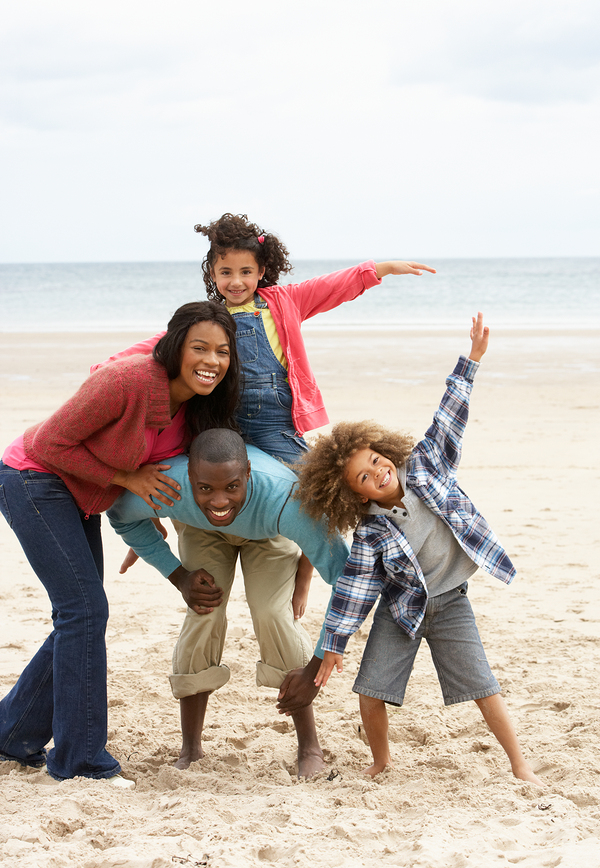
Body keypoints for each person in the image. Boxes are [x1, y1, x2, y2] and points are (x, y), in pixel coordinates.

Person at [293, 314, 543, 785]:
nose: (377, 473)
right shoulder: (370, 533)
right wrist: (332, 646)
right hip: (401, 611)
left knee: (483, 688)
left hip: (452, 605)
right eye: (364, 477)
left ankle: (520, 764)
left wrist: (471, 360)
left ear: (383, 450)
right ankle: (382, 760)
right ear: (357, 495)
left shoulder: (427, 465)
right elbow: (354, 592)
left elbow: (449, 415)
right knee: (370, 690)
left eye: (375, 460)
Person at [0, 302, 240, 784]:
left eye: (222, 351)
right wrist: (125, 479)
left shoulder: (196, 408)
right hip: (33, 478)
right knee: (83, 612)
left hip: (81, 495)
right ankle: (82, 763)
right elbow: (50, 444)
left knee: (82, 615)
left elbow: (165, 473)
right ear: (175, 347)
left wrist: (143, 516)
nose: (211, 360)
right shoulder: (128, 381)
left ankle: (12, 732)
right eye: (200, 348)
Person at [94, 212, 436, 464]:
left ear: (260, 271)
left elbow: (331, 287)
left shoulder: (285, 301)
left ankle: (306, 560)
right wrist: (109, 367)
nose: (236, 281)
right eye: (226, 272)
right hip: (222, 419)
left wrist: (380, 269)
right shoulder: (208, 317)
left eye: (246, 272)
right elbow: (160, 343)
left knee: (311, 483)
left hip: (277, 421)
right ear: (212, 273)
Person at [106, 429, 350, 777]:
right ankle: (190, 748)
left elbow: (346, 580)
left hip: (269, 530)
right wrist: (178, 576)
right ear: (189, 475)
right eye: (205, 487)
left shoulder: (287, 499)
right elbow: (120, 515)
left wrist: (314, 667)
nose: (219, 500)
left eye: (231, 486)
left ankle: (309, 745)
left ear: (247, 474)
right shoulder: (171, 485)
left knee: (272, 615)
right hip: (200, 529)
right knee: (203, 612)